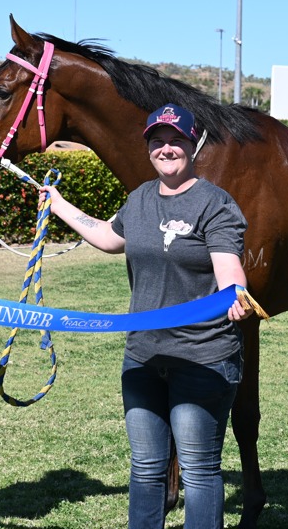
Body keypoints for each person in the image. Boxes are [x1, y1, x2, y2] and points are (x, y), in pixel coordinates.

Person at [42, 103, 256, 529]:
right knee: (146, 466)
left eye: (176, 140)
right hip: (142, 357)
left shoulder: (215, 204)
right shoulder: (139, 198)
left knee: (196, 470)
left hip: (202, 357)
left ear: (194, 145)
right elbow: (107, 236)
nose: (166, 148)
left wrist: (235, 292)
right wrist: (59, 205)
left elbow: (227, 263)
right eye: (157, 141)